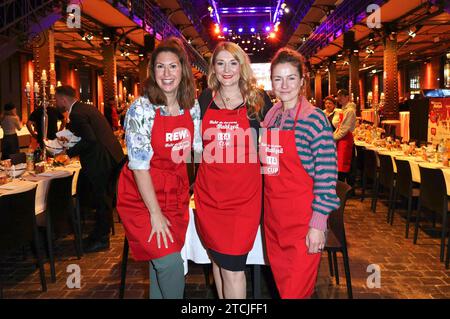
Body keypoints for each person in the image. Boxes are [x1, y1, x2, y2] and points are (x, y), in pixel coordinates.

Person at [116, 37, 202, 299]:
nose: (167, 74)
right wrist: (154, 213)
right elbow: (140, 168)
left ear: (183, 70)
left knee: (159, 263)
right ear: (152, 72)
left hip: (174, 194)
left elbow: (197, 151)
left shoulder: (192, 105)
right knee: (170, 263)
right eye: (160, 67)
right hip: (141, 196)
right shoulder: (140, 109)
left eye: (173, 66)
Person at [194, 42, 272, 299]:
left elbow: (275, 146)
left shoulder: (259, 99)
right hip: (209, 197)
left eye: (233, 62)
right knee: (217, 261)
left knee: (233, 268)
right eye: (220, 63)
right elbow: (196, 147)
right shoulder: (205, 98)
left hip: (243, 200)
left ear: (242, 66)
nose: (227, 69)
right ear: (213, 69)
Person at [260, 48, 340, 298]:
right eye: (278, 79)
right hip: (274, 224)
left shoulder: (314, 120)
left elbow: (327, 179)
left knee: (295, 292)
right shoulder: (271, 118)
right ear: (271, 82)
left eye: (291, 78)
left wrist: (318, 224)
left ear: (302, 81)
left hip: (302, 226)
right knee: (283, 290)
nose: (284, 85)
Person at [55, 85, 125, 252]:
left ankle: (101, 239)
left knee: (101, 199)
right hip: (112, 156)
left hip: (100, 160)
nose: (56, 102)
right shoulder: (86, 108)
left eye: (56, 99)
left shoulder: (76, 113)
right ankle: (99, 234)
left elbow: (90, 140)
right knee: (104, 199)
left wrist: (68, 153)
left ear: (64, 99)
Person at [335, 89, 357, 183]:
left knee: (343, 166)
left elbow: (344, 129)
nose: (339, 98)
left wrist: (332, 138)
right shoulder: (343, 110)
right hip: (341, 139)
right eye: (338, 96)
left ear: (347, 97)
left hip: (345, 139)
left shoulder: (350, 111)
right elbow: (340, 127)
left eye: (341, 96)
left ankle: (343, 190)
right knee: (340, 165)